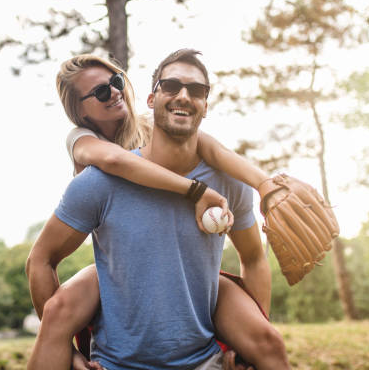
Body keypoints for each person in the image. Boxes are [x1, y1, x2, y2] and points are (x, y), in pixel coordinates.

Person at [26, 49, 291, 369]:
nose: (112, 92)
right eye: (98, 92)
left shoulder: (158, 124)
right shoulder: (88, 149)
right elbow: (116, 161)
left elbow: (209, 147)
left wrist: (264, 184)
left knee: (268, 343)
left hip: (190, 269)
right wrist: (195, 192)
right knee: (59, 311)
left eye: (115, 81)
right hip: (121, 265)